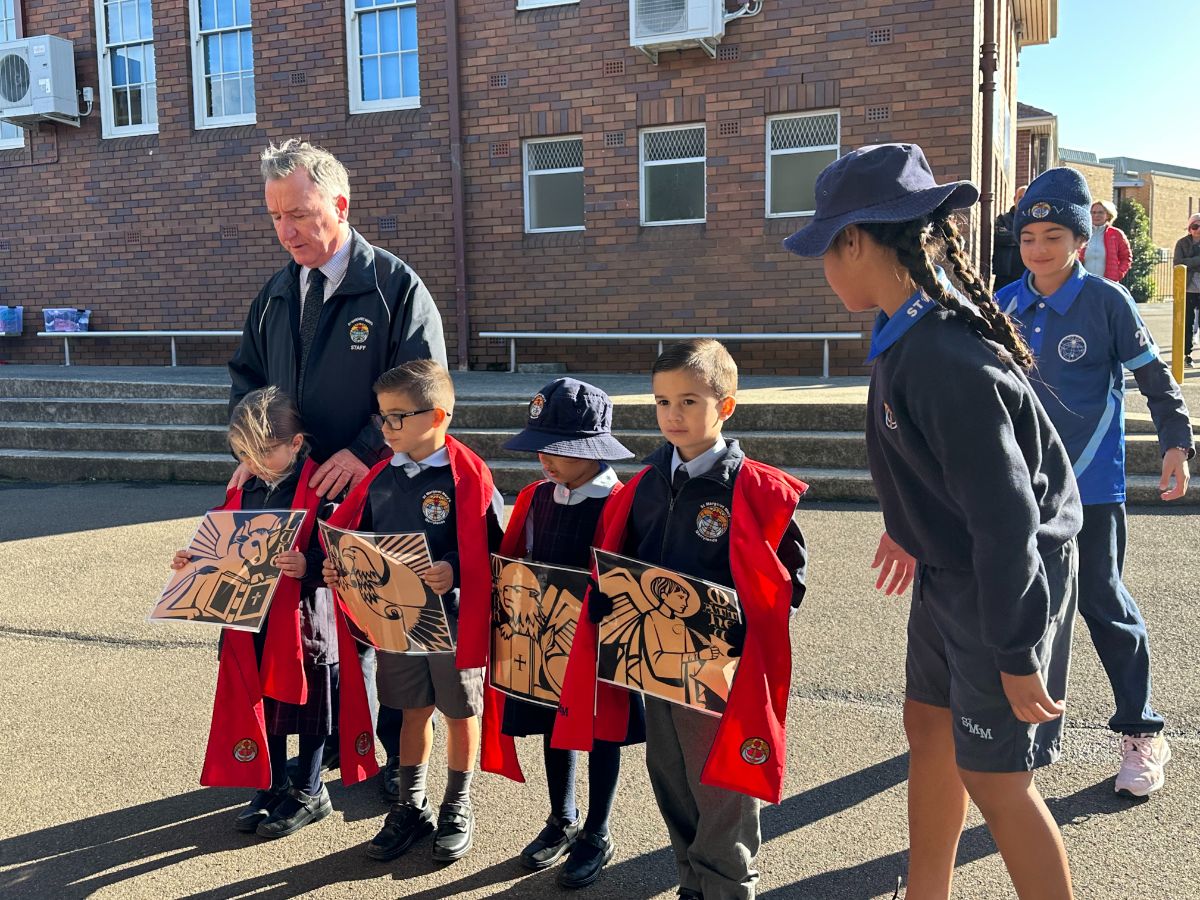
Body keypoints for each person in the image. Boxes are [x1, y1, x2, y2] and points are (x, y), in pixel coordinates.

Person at [784, 143, 1083, 900]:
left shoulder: (944, 356)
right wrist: (910, 524)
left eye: (827, 249)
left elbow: (1007, 518)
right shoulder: (906, 332)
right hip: (955, 569)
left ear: (857, 241)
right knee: (928, 730)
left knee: (998, 779)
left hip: (1000, 582)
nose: (824, 269)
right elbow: (942, 468)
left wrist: (1016, 648)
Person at [557, 339, 808, 900]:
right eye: (662, 401)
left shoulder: (757, 489)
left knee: (721, 781)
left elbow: (789, 578)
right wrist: (605, 599)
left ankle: (727, 885)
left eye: (689, 401)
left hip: (720, 667)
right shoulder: (642, 485)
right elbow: (622, 558)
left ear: (726, 406)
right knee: (669, 773)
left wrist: (744, 621)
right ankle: (691, 879)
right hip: (653, 663)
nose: (673, 414)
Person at [229, 138, 445, 778]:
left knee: (386, 627)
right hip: (296, 493)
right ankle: (322, 755)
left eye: (299, 213)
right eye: (275, 216)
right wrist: (252, 448)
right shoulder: (275, 293)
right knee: (313, 633)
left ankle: (398, 764)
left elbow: (425, 387)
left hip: (379, 490)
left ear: (341, 205)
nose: (285, 230)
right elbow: (246, 381)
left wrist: (363, 449)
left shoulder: (394, 287)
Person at [998, 167, 1193, 799]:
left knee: (1102, 602)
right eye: (1029, 237)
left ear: (1081, 241)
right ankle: (1008, 725)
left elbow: (1155, 379)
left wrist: (1176, 442)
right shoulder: (1003, 303)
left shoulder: (1108, 302)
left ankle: (1141, 732)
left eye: (1054, 236)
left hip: (1091, 487)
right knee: (1014, 602)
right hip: (1018, 487)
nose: (1039, 249)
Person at [322, 359, 504, 864]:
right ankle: (411, 805)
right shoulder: (382, 477)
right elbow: (355, 537)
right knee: (410, 711)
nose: (387, 427)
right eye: (382, 417)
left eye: (398, 416)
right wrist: (337, 567)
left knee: (460, 713)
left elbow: (497, 548)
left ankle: (457, 804)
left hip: (453, 623)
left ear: (438, 417)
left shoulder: (469, 478)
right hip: (397, 622)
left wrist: (454, 569)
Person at [176, 387, 376, 838]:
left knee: (309, 708)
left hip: (307, 619)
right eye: (245, 453)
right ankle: (272, 782)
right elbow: (222, 544)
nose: (256, 461)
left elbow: (342, 553)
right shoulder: (243, 486)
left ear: (296, 443)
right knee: (265, 703)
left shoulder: (321, 487)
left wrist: (308, 566)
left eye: (264, 451)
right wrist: (193, 561)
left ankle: (310, 790)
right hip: (251, 618)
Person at [465, 377, 643, 889]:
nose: (544, 459)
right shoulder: (537, 496)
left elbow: (634, 576)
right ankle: (562, 817)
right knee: (552, 726)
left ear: (593, 449)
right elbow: (516, 558)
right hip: (543, 637)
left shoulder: (621, 501)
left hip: (599, 642)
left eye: (557, 449)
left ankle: (597, 831)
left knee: (602, 734)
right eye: (539, 446)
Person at [1080, 199, 1132, 282]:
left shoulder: (1117, 234)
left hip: (1108, 283)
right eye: (1093, 212)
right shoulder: (1081, 233)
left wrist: (1117, 275)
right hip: (1083, 282)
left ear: (1108, 215)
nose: (1096, 215)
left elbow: (1126, 258)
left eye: (1100, 212)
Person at [1172, 213, 1200, 367]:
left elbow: (1184, 262)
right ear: (1190, 228)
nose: (1198, 229)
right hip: (1187, 289)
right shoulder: (1182, 243)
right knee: (1187, 323)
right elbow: (1178, 263)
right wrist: (1197, 261)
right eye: (1195, 226)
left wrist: (1189, 263)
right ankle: (1187, 355)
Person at [992, 185, 1027, 290]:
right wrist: (1024, 237)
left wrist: (1011, 236)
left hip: (1026, 274)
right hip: (1004, 274)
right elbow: (998, 236)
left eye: (1026, 198)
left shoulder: (1033, 222)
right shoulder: (1003, 218)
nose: (1022, 200)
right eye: (1020, 197)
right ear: (1014, 199)